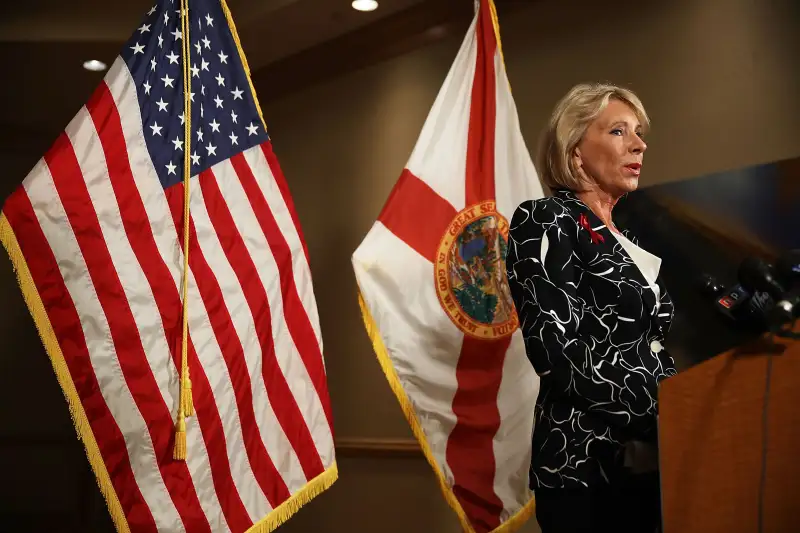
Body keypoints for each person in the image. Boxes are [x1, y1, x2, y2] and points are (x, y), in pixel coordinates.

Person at [505, 83, 676, 533]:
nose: (638, 144)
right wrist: (660, 417)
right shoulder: (544, 219)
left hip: (654, 462)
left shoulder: (632, 239)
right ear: (575, 148)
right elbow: (556, 353)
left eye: (638, 132)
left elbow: (652, 347)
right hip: (585, 464)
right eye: (619, 131)